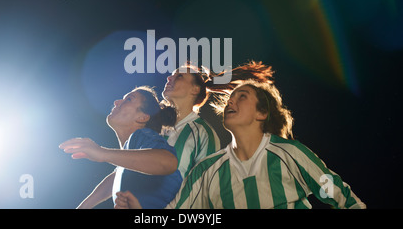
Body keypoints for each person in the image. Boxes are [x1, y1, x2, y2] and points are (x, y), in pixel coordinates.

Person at [115, 73, 366, 209]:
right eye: (231, 98)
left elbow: (341, 196)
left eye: (242, 97)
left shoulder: (289, 154)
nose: (231, 102)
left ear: (262, 113)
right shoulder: (208, 170)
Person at [59, 86, 182, 209]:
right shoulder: (132, 158)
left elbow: (168, 162)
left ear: (143, 117)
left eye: (128, 99)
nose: (116, 102)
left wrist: (102, 153)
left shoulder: (143, 135)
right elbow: (115, 177)